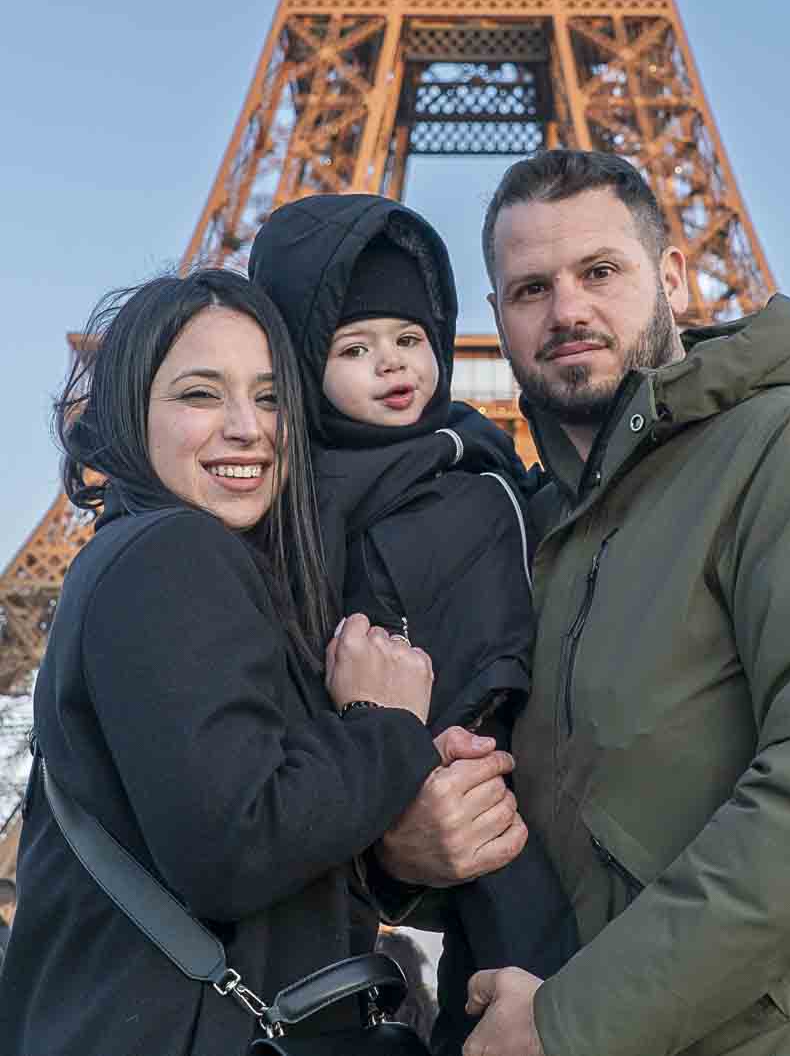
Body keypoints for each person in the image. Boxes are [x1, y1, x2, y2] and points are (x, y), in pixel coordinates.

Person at [380, 149, 790, 1056]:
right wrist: (409, 856)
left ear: (672, 276)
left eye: (599, 271)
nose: (566, 310)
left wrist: (572, 1020)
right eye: (529, 290)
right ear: (497, 320)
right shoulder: (526, 527)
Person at [0, 268, 444, 1056]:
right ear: (132, 414)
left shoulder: (128, 559)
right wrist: (383, 723)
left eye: (270, 398)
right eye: (201, 395)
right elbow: (239, 845)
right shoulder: (175, 549)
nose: (248, 427)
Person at [249, 195, 577, 1052]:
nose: (391, 365)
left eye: (410, 341)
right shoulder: (295, 501)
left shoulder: (480, 451)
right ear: (300, 370)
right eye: (353, 350)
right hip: (418, 756)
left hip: (523, 744)